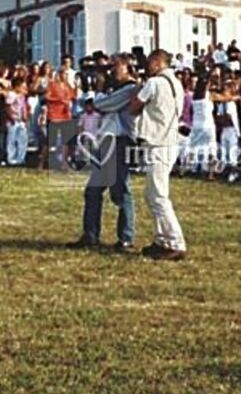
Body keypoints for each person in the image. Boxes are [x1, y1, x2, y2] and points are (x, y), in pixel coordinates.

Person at [69, 55, 138, 252]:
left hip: (120, 141)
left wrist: (97, 93)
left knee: (121, 192)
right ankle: (90, 235)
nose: (111, 70)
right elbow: (86, 104)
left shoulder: (130, 89)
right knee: (93, 190)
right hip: (107, 142)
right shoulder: (114, 88)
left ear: (128, 68)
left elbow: (102, 105)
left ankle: (126, 237)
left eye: (116, 66)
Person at [130, 49, 187, 261]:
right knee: (153, 193)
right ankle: (161, 238)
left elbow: (133, 107)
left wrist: (137, 89)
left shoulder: (154, 83)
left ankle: (174, 241)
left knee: (158, 195)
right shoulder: (177, 84)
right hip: (169, 140)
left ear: (157, 62)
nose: (147, 66)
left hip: (158, 142)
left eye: (150, 62)